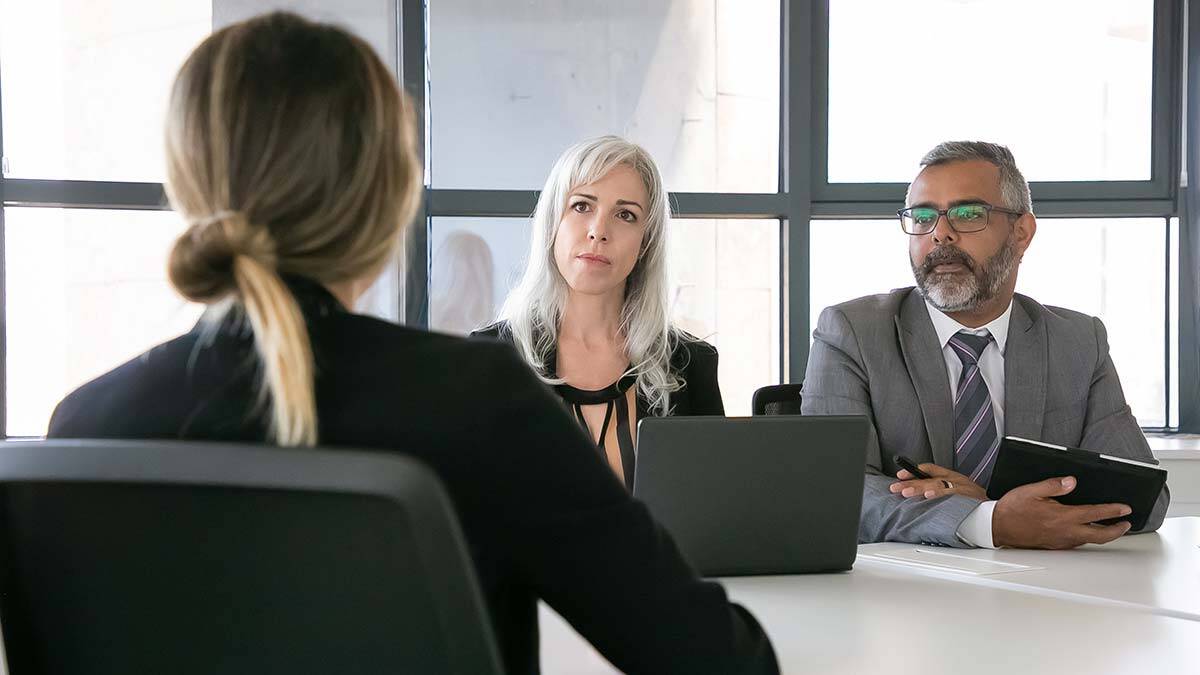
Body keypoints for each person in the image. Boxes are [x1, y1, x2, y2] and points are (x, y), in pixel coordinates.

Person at [46, 13, 777, 674]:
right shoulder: (484, 401)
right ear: (391, 195)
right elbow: (717, 660)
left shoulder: (82, 427)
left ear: (185, 179)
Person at [802, 140, 1169, 550]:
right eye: (922, 217)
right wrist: (988, 520)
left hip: (1046, 593)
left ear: (1022, 232)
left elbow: (1145, 501)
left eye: (967, 214)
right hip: (902, 599)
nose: (940, 233)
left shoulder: (1079, 341)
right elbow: (832, 494)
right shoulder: (851, 332)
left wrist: (992, 503)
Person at [474, 136, 723, 489]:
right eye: (581, 206)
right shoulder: (488, 359)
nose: (598, 232)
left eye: (625, 215)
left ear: (646, 243)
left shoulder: (691, 364)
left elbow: (710, 516)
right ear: (552, 222)